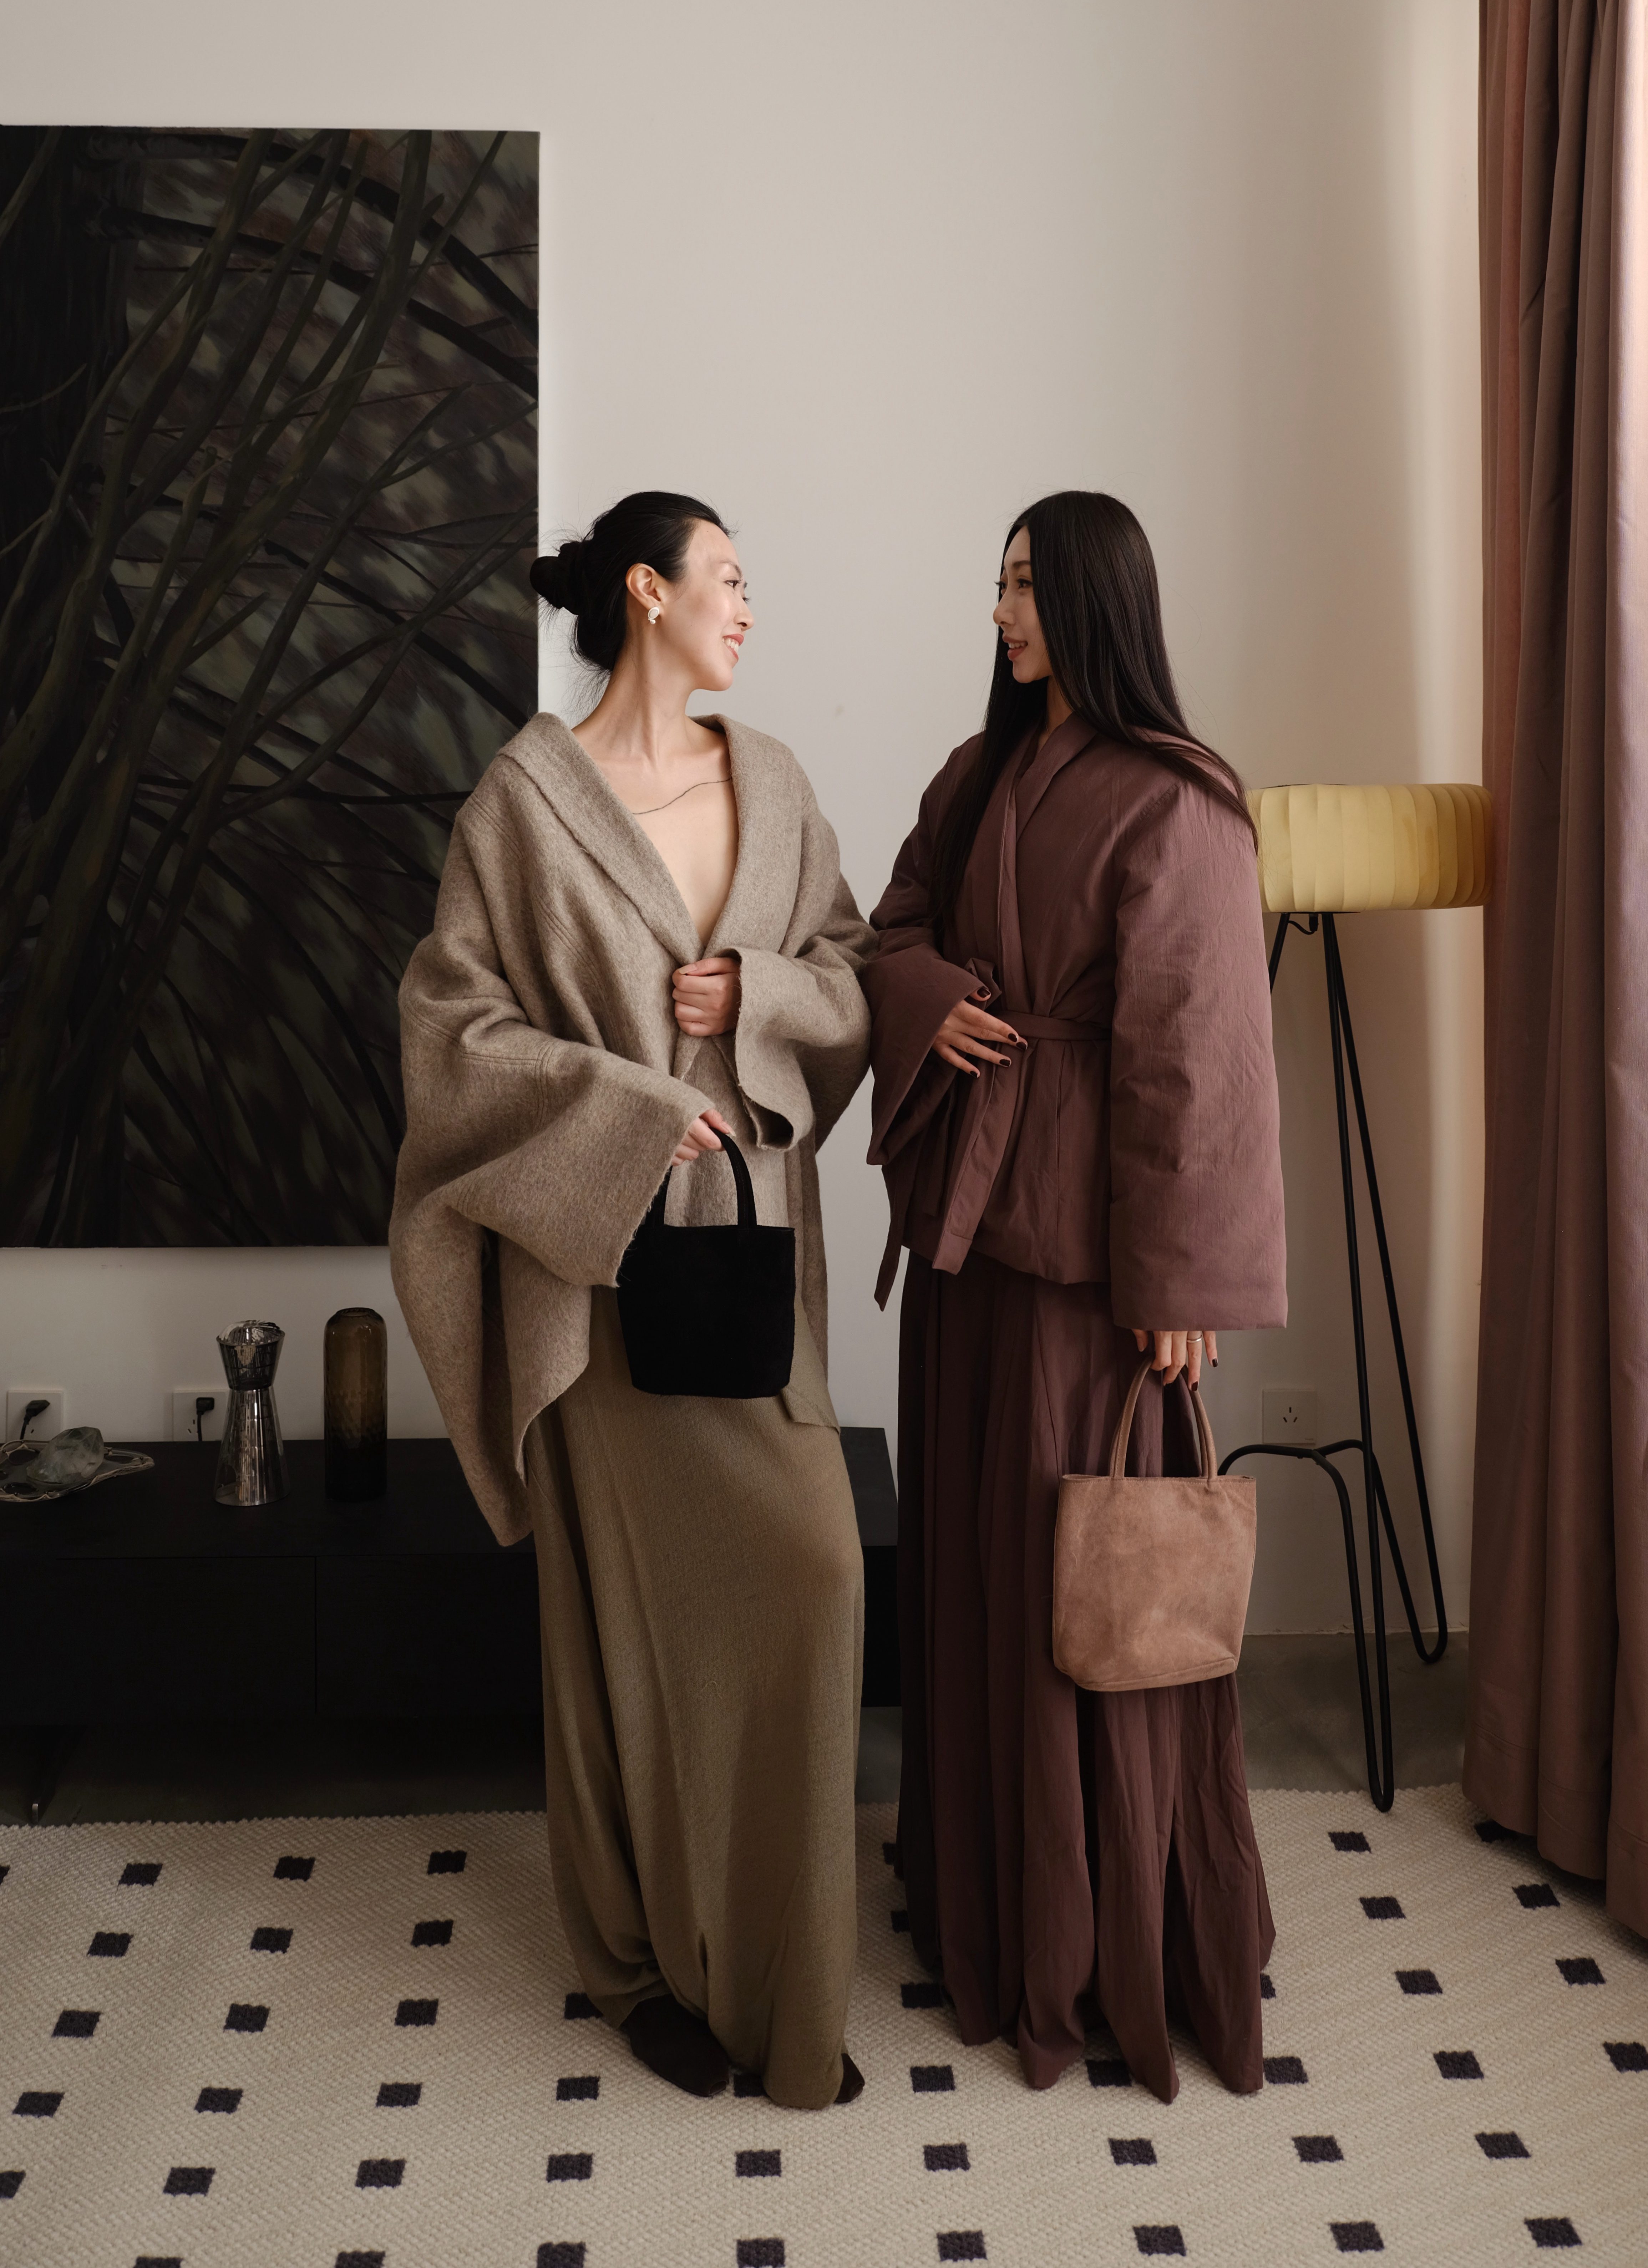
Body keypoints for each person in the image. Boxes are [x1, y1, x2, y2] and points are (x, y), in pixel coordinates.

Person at [390, 492, 874, 2109]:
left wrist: (764, 996)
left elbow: (852, 973)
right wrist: (623, 1107)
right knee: (616, 1632)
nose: (749, 606)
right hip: (597, 1276)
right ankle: (635, 1968)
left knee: (815, 1574)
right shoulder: (524, 803)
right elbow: (450, 1027)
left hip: (747, 1263)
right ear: (650, 594)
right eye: (729, 577)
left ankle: (783, 1983)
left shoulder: (777, 783)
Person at [864, 490, 1286, 2100]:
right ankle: (982, 1904)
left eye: (1032, 585)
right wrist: (933, 997)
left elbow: (1201, 1059)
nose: (1005, 612)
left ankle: (1104, 1941)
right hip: (969, 1244)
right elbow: (890, 928)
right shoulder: (971, 776)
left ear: (1101, 599)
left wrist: (1181, 1284)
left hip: (1094, 1264)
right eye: (999, 584)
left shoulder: (1182, 802)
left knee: (1092, 1595)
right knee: (975, 1572)